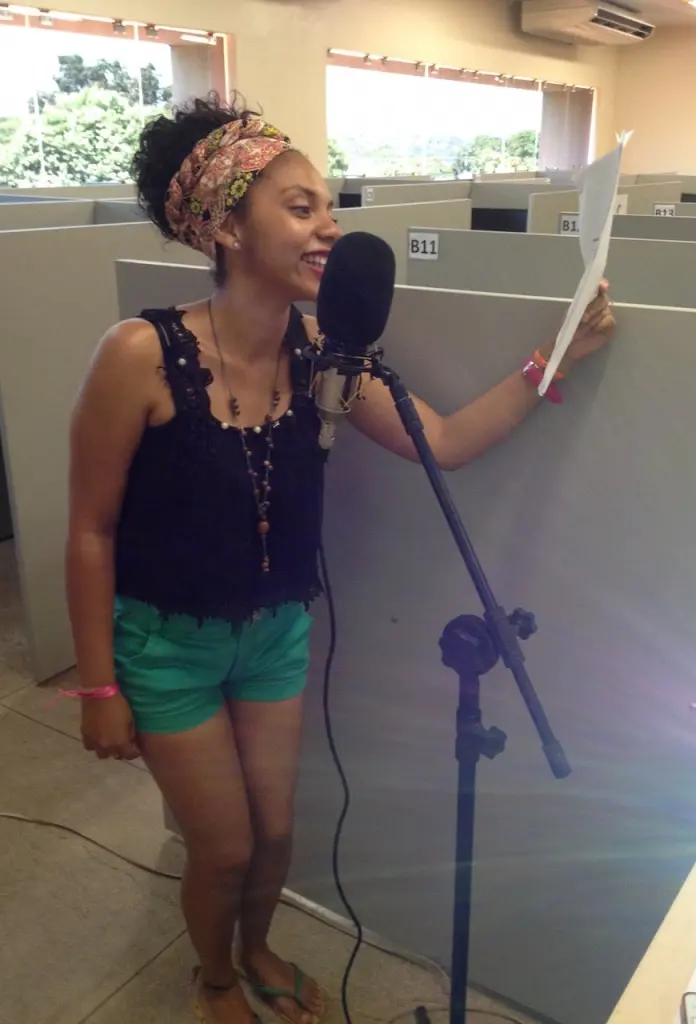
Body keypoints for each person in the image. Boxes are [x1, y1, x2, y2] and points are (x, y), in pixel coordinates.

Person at [65, 95, 615, 1024]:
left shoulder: (324, 354)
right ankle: (215, 979)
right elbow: (90, 529)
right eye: (301, 208)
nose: (331, 229)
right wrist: (98, 686)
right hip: (166, 647)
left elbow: (441, 441)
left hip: (276, 634)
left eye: (331, 208)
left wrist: (553, 359)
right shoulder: (138, 354)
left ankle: (257, 946)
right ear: (227, 227)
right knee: (225, 848)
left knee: (277, 834)